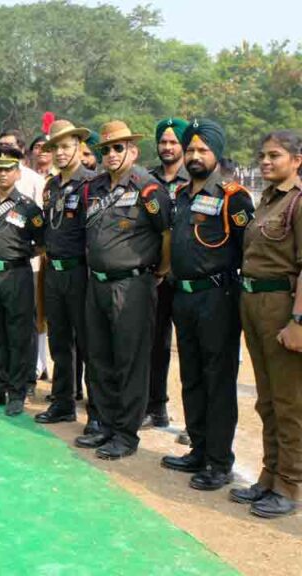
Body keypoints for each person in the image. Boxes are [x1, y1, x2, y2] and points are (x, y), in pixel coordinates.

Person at [160, 119, 253, 491]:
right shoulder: (181, 195)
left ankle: (218, 460)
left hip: (217, 298)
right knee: (192, 376)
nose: (196, 156)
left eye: (204, 150)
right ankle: (198, 448)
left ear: (217, 153)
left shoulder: (234, 197)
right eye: (191, 150)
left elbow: (250, 250)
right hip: (183, 297)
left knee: (218, 379)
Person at [75, 120, 171, 459]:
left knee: (129, 358)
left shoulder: (148, 188)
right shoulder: (95, 187)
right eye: (105, 149)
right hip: (97, 284)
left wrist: (159, 270)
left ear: (133, 150)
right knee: (98, 355)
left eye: (118, 147)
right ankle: (101, 421)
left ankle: (125, 433)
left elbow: (166, 234)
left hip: (131, 284)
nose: (111, 154)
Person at [231, 129, 302, 519]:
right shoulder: (268, 201)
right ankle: (269, 476)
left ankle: (289, 485)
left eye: (274, 155)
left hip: (282, 305)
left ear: (296, 160)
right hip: (254, 301)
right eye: (262, 155)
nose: (265, 162)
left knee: (289, 400)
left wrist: (298, 321)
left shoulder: (298, 203)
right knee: (267, 399)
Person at [0, 146, 45, 416]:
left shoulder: (28, 207)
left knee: (18, 334)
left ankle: (17, 391)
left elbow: (42, 242)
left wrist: (20, 256)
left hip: (17, 275)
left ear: (17, 172)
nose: (2, 174)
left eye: (8, 169)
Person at [35, 120, 97, 425]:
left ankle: (96, 414)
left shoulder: (92, 183)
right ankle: (62, 402)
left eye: (65, 146)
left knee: (88, 342)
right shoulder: (52, 185)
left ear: (79, 147)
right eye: (55, 147)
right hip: (54, 271)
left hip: (81, 272)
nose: (59, 153)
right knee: (59, 341)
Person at [144, 118, 192, 429]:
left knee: (191, 350)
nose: (167, 147)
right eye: (163, 141)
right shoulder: (147, 181)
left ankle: (194, 423)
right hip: (157, 277)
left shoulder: (196, 179)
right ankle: (155, 406)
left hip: (189, 277)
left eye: (173, 142)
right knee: (155, 343)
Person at [0, 128, 48, 382]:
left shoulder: (34, 180)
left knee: (28, 321)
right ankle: (2, 376)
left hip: (28, 263)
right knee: (1, 323)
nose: (5, 149)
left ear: (21, 150)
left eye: (10, 146)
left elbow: (41, 224)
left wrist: (29, 252)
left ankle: (30, 373)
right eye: (1, 145)